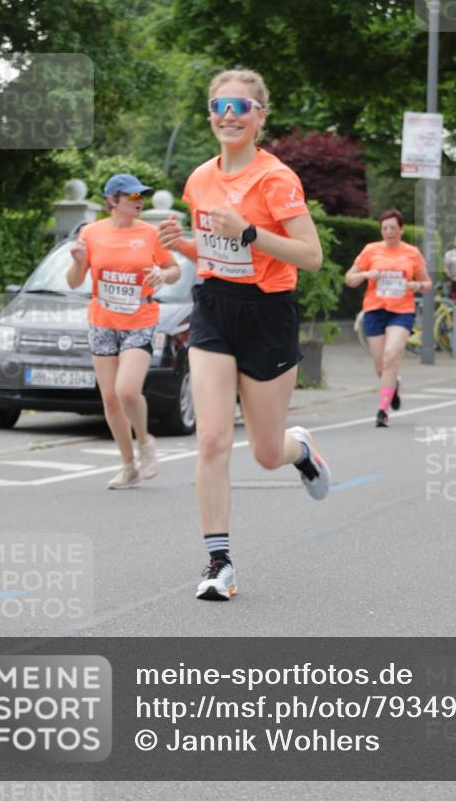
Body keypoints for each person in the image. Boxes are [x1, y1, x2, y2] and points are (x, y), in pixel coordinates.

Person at [157, 68, 331, 602]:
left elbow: (312, 256)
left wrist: (252, 233)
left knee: (263, 452)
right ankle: (219, 563)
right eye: (219, 106)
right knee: (210, 438)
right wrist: (181, 243)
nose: (227, 115)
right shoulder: (198, 179)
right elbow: (216, 253)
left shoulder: (276, 179)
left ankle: (299, 449)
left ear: (260, 116)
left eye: (240, 107)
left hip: (267, 314)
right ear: (210, 113)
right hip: (212, 308)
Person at [66, 174, 180, 489]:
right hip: (102, 321)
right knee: (110, 399)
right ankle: (128, 465)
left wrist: (162, 273)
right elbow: (75, 282)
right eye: (132, 197)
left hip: (140, 318)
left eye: (142, 196)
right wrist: (77, 263)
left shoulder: (150, 234)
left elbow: (175, 269)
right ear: (113, 200)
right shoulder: (91, 232)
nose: (139, 201)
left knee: (127, 391)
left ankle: (145, 443)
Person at [345, 209, 432, 428]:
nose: (389, 231)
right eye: (385, 228)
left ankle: (382, 411)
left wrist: (417, 285)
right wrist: (366, 274)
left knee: (391, 355)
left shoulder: (412, 253)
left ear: (401, 230)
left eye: (393, 227)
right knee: (381, 366)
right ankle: (394, 384)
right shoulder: (370, 250)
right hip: (375, 310)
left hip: (402, 310)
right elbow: (349, 278)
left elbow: (427, 283)